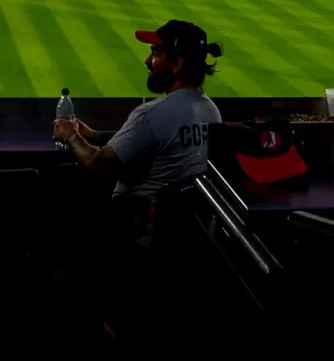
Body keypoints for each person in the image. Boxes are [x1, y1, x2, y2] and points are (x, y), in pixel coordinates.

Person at [55, 21, 224, 225]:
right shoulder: (211, 111)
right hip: (184, 231)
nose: (147, 61)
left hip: (137, 232)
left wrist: (71, 135)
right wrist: (94, 135)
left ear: (177, 64)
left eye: (155, 53)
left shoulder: (151, 114)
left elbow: (97, 162)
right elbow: (159, 138)